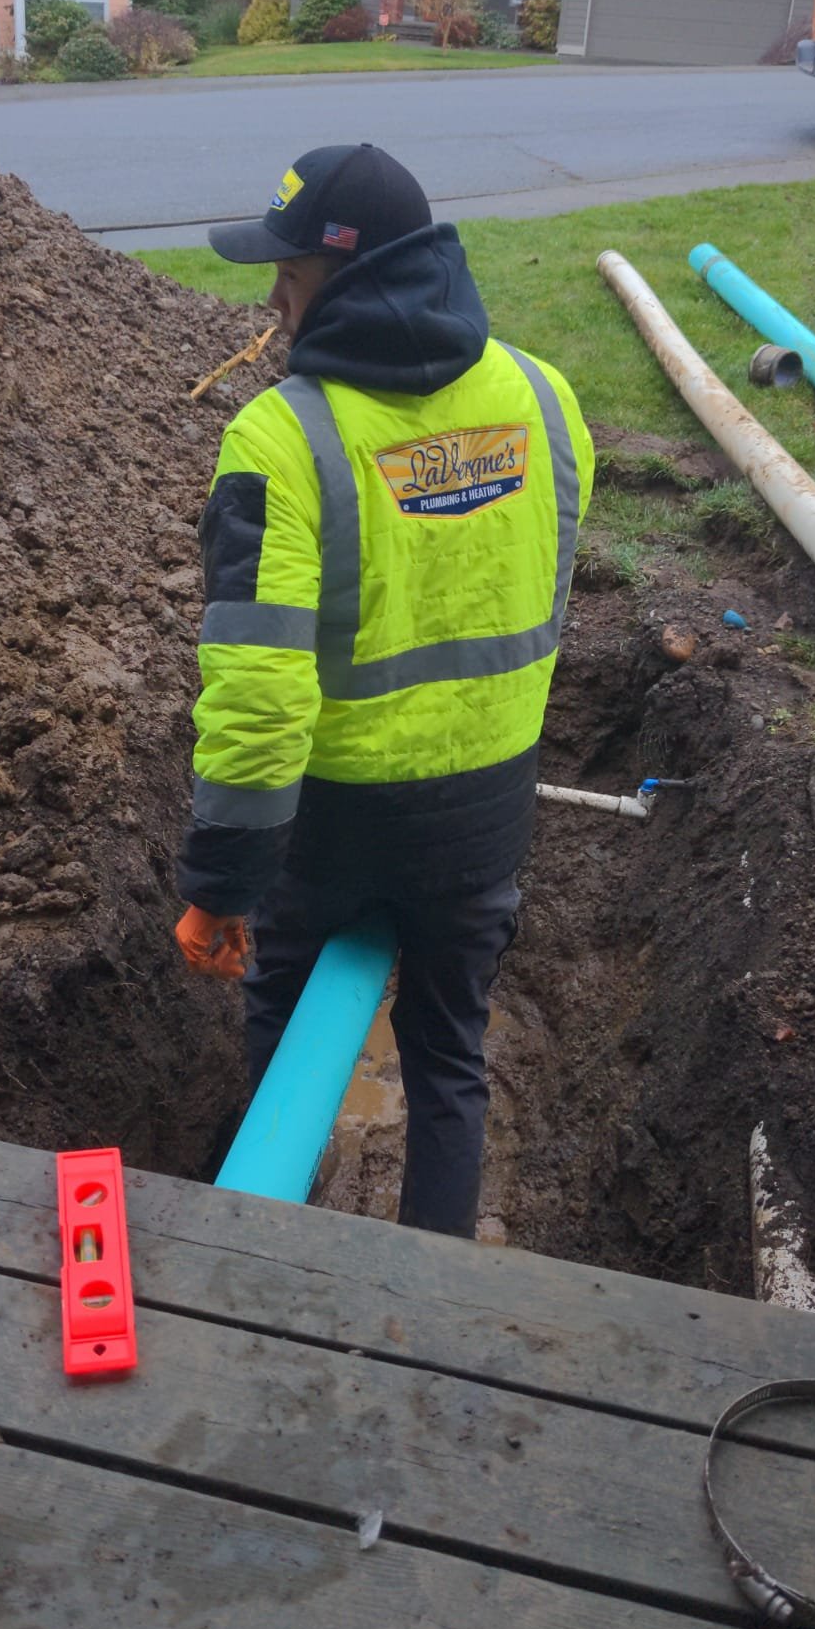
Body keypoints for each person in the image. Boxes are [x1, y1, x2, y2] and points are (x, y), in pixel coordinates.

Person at [174, 143, 594, 1238]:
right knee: (449, 1054)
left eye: (291, 274)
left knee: (287, 1036)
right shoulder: (542, 398)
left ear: (349, 278)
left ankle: (284, 1265)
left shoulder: (282, 437)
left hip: (338, 824)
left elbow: (260, 694)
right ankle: (434, 1292)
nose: (271, 298)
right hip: (486, 814)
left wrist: (221, 883)